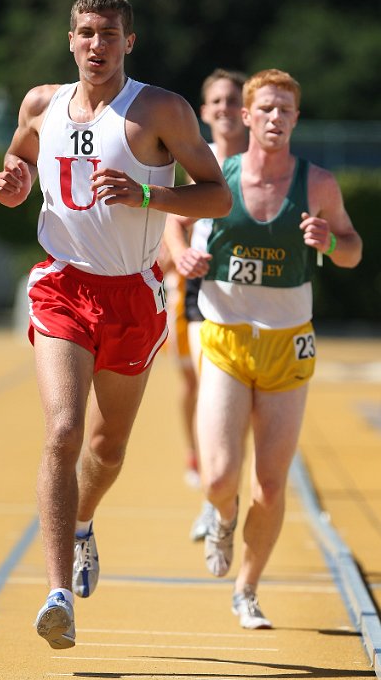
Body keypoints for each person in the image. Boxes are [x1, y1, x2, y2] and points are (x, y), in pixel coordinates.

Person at [0, 0, 232, 651]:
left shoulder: (160, 109)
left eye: (110, 34)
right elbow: (17, 158)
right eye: (86, 33)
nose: (97, 45)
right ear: (71, 40)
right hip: (62, 285)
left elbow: (216, 195)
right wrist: (10, 181)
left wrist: (149, 192)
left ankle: (84, 521)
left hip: (133, 296)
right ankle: (58, 593)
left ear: (130, 42)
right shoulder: (42, 104)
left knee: (107, 447)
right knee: (64, 428)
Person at [165, 68, 362, 629]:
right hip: (226, 338)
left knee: (271, 487)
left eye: (286, 111)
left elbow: (352, 247)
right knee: (221, 475)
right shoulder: (218, 179)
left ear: (296, 119)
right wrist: (181, 256)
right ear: (246, 118)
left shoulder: (317, 183)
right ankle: (220, 513)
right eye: (266, 110)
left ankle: (247, 589)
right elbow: (174, 223)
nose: (276, 119)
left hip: (287, 346)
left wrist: (331, 242)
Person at [182, 69, 249, 538]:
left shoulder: (262, 163)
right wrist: (179, 250)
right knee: (205, 384)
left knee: (236, 398)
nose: (224, 109)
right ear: (203, 112)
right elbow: (170, 213)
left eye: (232, 100)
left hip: (250, 295)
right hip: (199, 291)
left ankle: (220, 482)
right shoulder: (194, 159)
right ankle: (214, 485)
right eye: (216, 102)